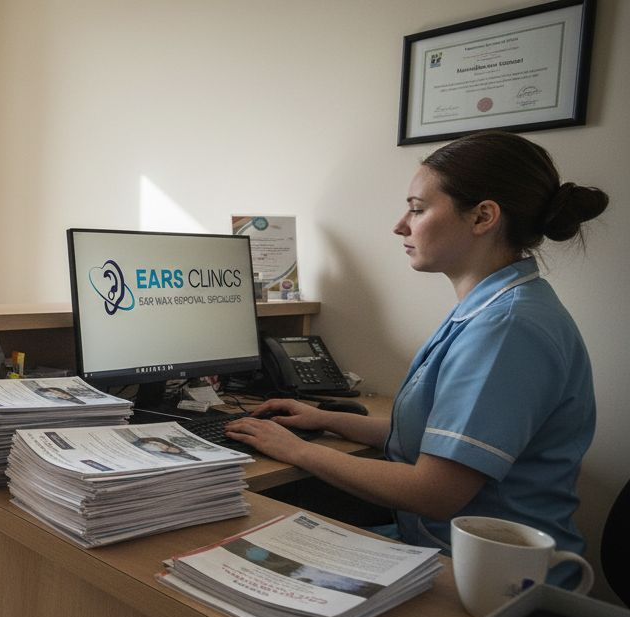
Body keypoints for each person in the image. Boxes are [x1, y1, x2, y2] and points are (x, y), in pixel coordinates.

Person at [224, 131, 607, 587]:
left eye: (418, 208)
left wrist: (297, 451)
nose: (400, 225)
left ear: (483, 216)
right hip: (452, 552)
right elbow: (444, 437)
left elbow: (434, 491)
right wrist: (326, 418)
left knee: (251, 561)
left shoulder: (506, 327)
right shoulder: (495, 307)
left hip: (497, 584)